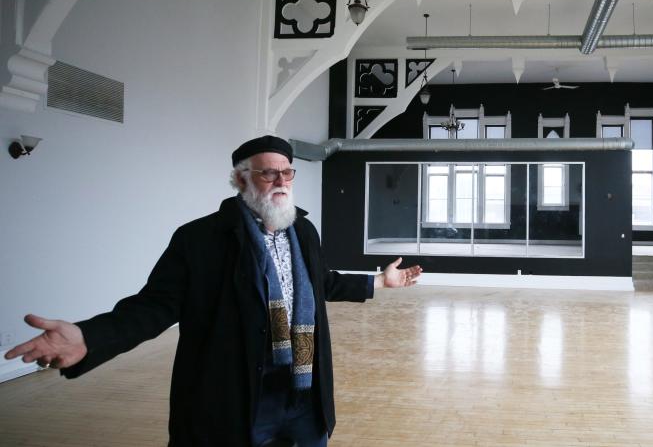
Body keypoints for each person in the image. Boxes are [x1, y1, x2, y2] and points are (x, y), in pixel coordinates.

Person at [4, 135, 422, 446]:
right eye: (268, 172)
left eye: (287, 171)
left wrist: (380, 281)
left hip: (304, 390)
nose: (281, 180)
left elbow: (318, 282)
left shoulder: (303, 231)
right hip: (235, 396)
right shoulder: (201, 239)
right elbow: (155, 306)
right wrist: (87, 337)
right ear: (241, 179)